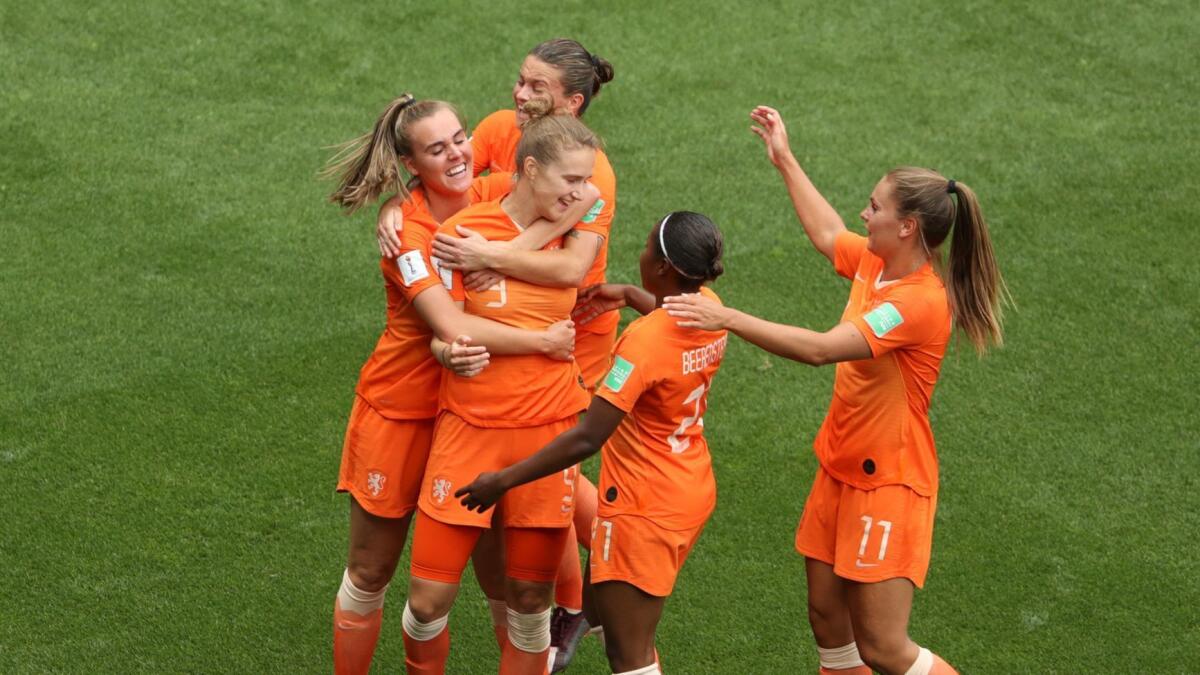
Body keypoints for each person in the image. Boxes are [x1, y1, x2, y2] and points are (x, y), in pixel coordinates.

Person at [663, 106, 1008, 675]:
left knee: (883, 647)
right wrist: (785, 160)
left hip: (889, 484)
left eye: (875, 207)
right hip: (841, 467)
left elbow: (823, 349)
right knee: (826, 615)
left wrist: (727, 319)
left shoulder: (918, 302)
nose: (863, 213)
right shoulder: (878, 265)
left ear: (908, 228)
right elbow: (827, 234)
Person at [321, 94, 594, 675]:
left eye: (461, 137)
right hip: (403, 409)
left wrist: (505, 250)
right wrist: (544, 342)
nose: (457, 153)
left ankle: (572, 609)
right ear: (411, 164)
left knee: (506, 582)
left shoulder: (494, 196)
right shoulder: (405, 235)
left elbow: (582, 193)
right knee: (372, 572)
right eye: (437, 148)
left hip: (471, 416)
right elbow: (446, 326)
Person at [378, 38, 617, 669]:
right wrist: (400, 207)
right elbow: (445, 320)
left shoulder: (576, 210)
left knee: (530, 603)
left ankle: (583, 599)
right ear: (527, 170)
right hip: (468, 433)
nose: (584, 194)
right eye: (570, 180)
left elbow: (573, 262)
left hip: (545, 427)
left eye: (586, 183)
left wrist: (499, 258)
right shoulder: (461, 231)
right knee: (427, 602)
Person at [456, 211, 728, 675]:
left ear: (663, 268)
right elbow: (668, 315)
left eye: (646, 248)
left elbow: (587, 437)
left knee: (630, 656)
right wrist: (624, 293)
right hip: (688, 488)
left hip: (644, 507)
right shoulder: (711, 309)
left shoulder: (642, 344)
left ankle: (592, 624)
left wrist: (503, 480)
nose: (639, 254)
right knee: (612, 615)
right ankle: (583, 615)